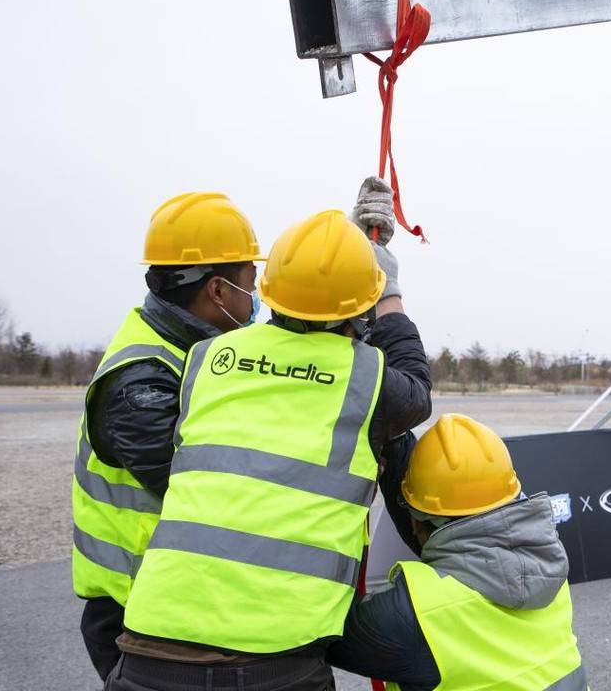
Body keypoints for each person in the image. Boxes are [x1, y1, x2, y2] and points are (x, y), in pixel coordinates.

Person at [108, 204, 431, 691]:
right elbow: (415, 388)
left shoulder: (206, 358)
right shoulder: (368, 379)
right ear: (360, 306)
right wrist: (388, 291)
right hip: (276, 657)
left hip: (154, 643)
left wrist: (339, 261)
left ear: (270, 290)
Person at [73, 192, 266, 680]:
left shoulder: (193, 350)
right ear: (219, 292)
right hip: (137, 617)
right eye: (251, 281)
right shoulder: (141, 381)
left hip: (174, 603)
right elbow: (203, 487)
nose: (257, 293)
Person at [327, 413, 588, 691]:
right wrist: (396, 440)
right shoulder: (548, 568)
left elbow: (317, 632)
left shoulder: (414, 615)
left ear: (416, 522)